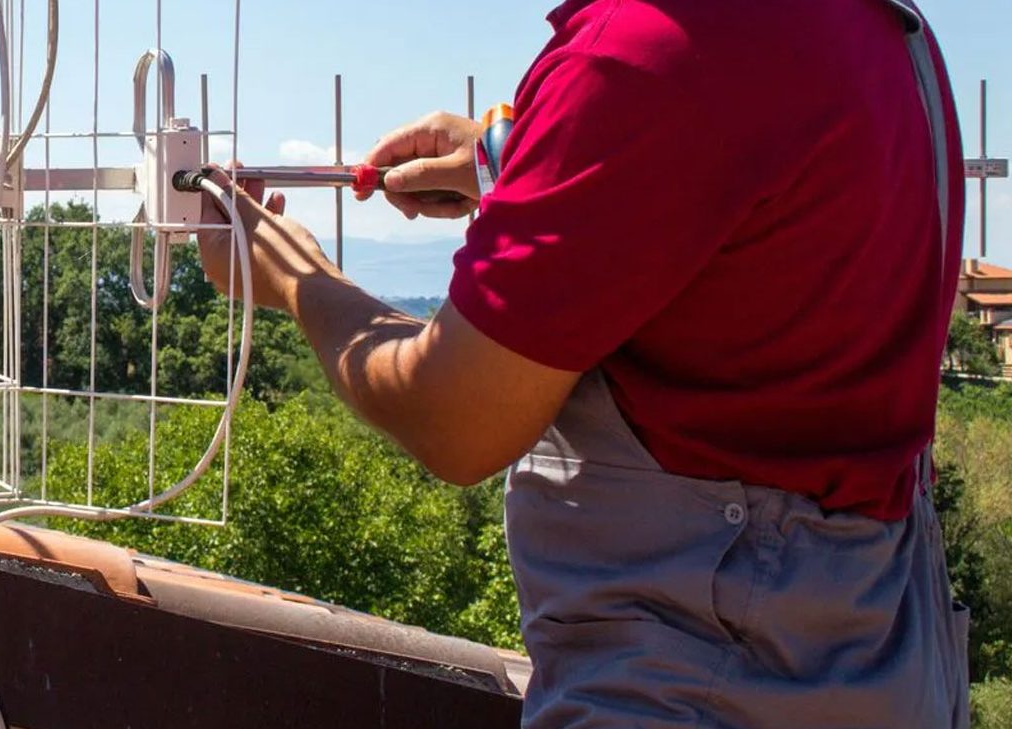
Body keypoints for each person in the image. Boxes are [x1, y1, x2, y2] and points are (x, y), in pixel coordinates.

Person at [196, 0, 971, 726]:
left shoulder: (647, 53)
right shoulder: (877, 27)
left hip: (693, 686)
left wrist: (291, 274)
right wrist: (531, 155)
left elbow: (454, 415)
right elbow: (748, 197)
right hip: (881, 664)